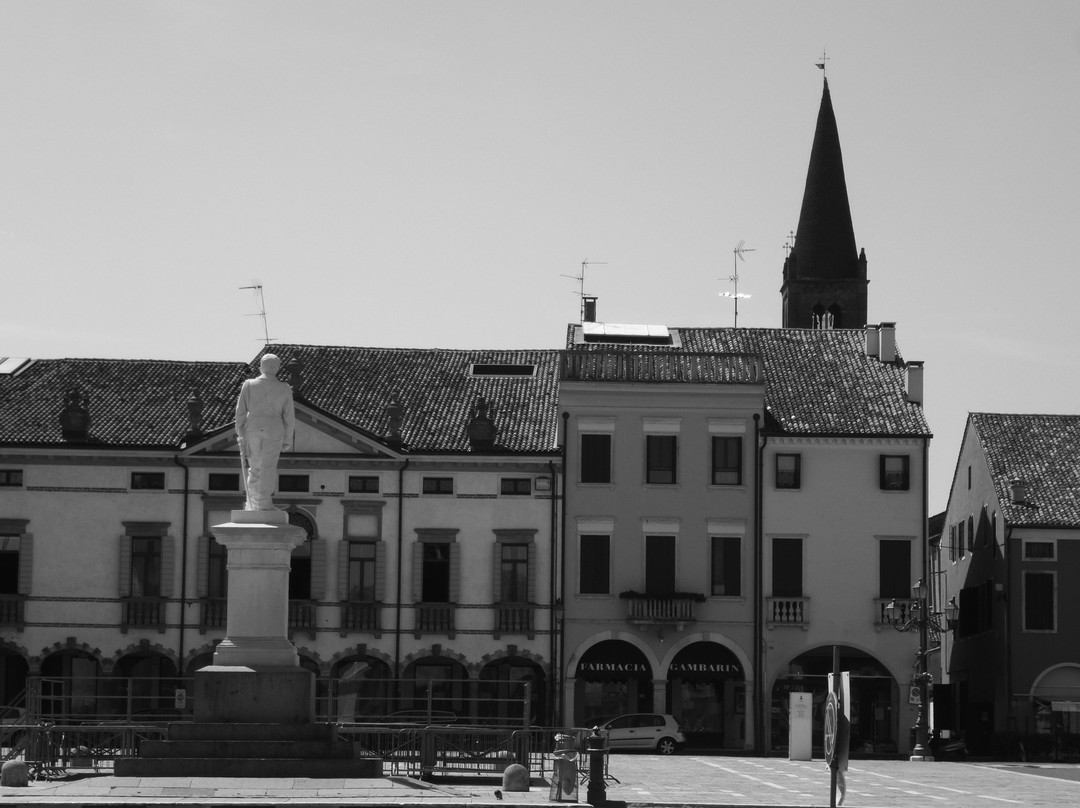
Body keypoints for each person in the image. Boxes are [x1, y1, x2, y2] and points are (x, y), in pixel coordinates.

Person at [234, 354, 295, 511]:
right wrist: (288, 439)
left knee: (254, 467)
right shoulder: (284, 388)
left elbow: (240, 413)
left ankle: (252, 503)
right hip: (275, 430)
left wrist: (239, 433)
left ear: (261, 366)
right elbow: (289, 417)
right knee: (268, 466)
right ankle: (264, 502)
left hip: (253, 429)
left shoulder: (248, 385)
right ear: (277, 368)